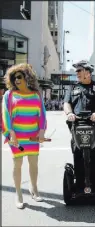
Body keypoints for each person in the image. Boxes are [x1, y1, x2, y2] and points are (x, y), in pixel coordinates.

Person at [2, 63, 47, 209]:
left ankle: (34, 189)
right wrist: (11, 133)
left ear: (28, 77)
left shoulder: (36, 94)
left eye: (20, 77)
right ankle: (19, 194)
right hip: (16, 137)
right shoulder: (9, 94)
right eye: (14, 78)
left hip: (32, 136)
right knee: (18, 164)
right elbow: (5, 114)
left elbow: (42, 113)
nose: (16, 80)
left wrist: (41, 131)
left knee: (34, 163)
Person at [63, 60, 95, 192]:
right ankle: (79, 185)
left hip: (94, 125)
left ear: (88, 72)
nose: (76, 73)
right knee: (78, 154)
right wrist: (69, 113)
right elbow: (66, 103)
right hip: (77, 125)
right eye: (76, 70)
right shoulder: (72, 87)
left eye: (79, 70)